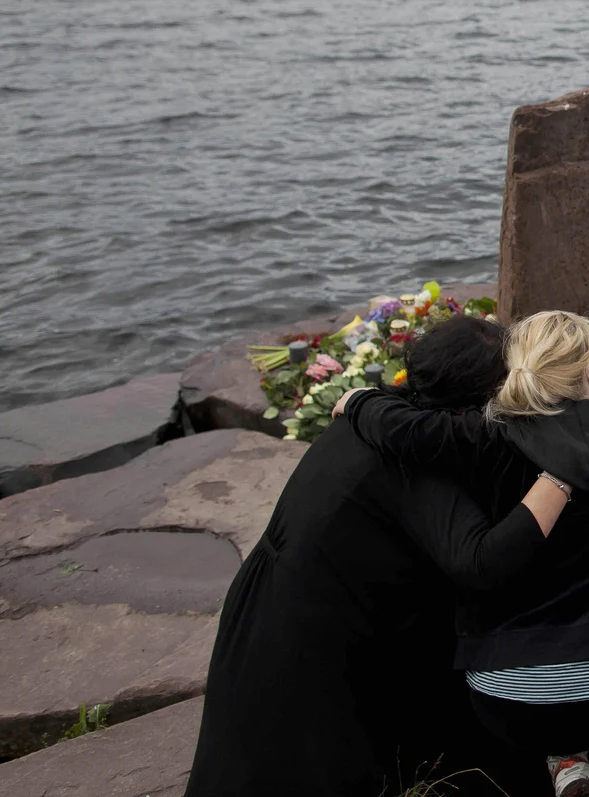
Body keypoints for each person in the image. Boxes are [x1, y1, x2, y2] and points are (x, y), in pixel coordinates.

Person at [338, 310, 589, 797]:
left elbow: (406, 430)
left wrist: (359, 400)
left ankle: (565, 754)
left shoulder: (486, 442)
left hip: (520, 705)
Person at [186, 315, 556, 797]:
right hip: (316, 635)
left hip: (281, 602)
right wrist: (561, 478)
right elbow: (480, 563)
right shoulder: (420, 459)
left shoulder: (386, 415)